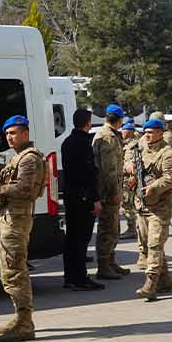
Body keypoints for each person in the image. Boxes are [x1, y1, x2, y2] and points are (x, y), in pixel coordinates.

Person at [0, 115, 46, 342]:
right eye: (7, 134)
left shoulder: (29, 159)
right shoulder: (17, 158)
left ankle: (24, 323)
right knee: (9, 269)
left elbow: (24, 190)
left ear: (25, 134)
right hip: (9, 217)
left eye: (14, 133)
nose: (9, 137)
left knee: (14, 270)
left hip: (16, 220)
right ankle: (21, 317)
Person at [129, 119, 172, 300]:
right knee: (146, 243)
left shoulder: (168, 154)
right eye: (146, 132)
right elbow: (133, 167)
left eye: (151, 132)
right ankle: (165, 279)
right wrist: (130, 169)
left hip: (161, 206)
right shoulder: (141, 151)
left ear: (160, 133)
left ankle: (150, 284)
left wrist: (155, 186)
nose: (147, 135)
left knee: (155, 243)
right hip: (143, 204)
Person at [60, 107, 104, 291]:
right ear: (88, 124)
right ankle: (80, 278)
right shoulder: (83, 144)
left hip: (71, 196)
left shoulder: (67, 142)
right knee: (81, 239)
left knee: (71, 239)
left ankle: (70, 276)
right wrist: (95, 198)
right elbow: (87, 174)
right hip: (83, 197)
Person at [91, 104, 129, 282]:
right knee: (107, 227)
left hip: (110, 189)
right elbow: (109, 170)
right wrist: (114, 191)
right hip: (107, 191)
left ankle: (110, 262)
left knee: (114, 227)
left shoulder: (111, 135)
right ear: (120, 120)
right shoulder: (107, 137)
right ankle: (104, 266)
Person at [120, 120, 140, 239]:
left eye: (124, 130)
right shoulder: (125, 144)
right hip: (124, 180)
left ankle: (132, 229)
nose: (122, 132)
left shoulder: (134, 146)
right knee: (126, 205)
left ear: (130, 132)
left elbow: (133, 165)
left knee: (128, 205)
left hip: (130, 181)